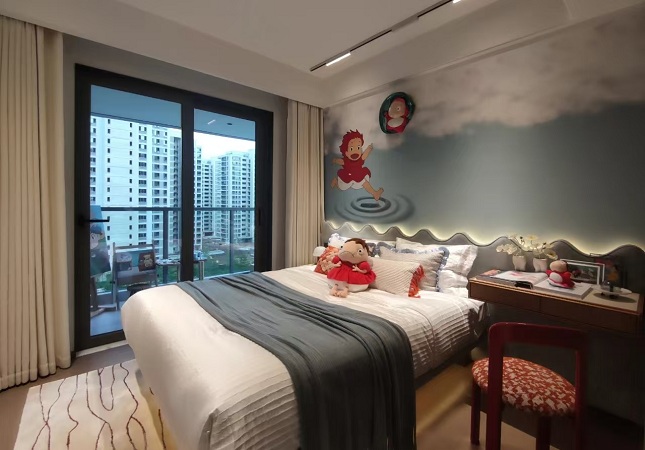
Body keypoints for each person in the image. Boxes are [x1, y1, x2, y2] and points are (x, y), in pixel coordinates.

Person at [330, 129, 384, 201]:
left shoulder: (360, 159)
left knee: (364, 182)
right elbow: (340, 161)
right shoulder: (346, 161)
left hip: (358, 175)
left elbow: (364, 155)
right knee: (342, 187)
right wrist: (334, 160)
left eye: (358, 148)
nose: (355, 151)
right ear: (346, 152)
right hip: (347, 176)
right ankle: (336, 182)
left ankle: (375, 193)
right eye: (351, 148)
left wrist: (368, 149)